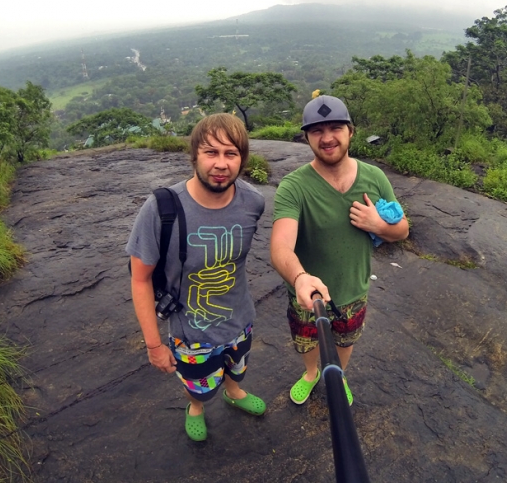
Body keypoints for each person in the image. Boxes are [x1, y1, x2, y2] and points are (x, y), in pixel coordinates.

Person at [127, 114, 266, 442]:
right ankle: (196, 408)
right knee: (199, 387)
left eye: (230, 154)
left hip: (241, 319)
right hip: (192, 334)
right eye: (211, 152)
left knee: (237, 367)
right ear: (194, 156)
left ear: (242, 160)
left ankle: (233, 392)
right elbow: (139, 278)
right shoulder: (161, 209)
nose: (221, 163)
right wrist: (153, 344)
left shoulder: (252, 203)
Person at [270, 95, 409, 406]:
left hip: (354, 289)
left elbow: (403, 229)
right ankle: (310, 374)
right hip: (308, 293)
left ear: (351, 131)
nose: (327, 137)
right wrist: (300, 278)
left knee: (346, 338)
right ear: (306, 136)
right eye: (317, 130)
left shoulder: (374, 178)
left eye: (335, 128)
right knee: (306, 340)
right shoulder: (294, 187)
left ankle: (339, 375)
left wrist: (379, 225)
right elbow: (280, 246)